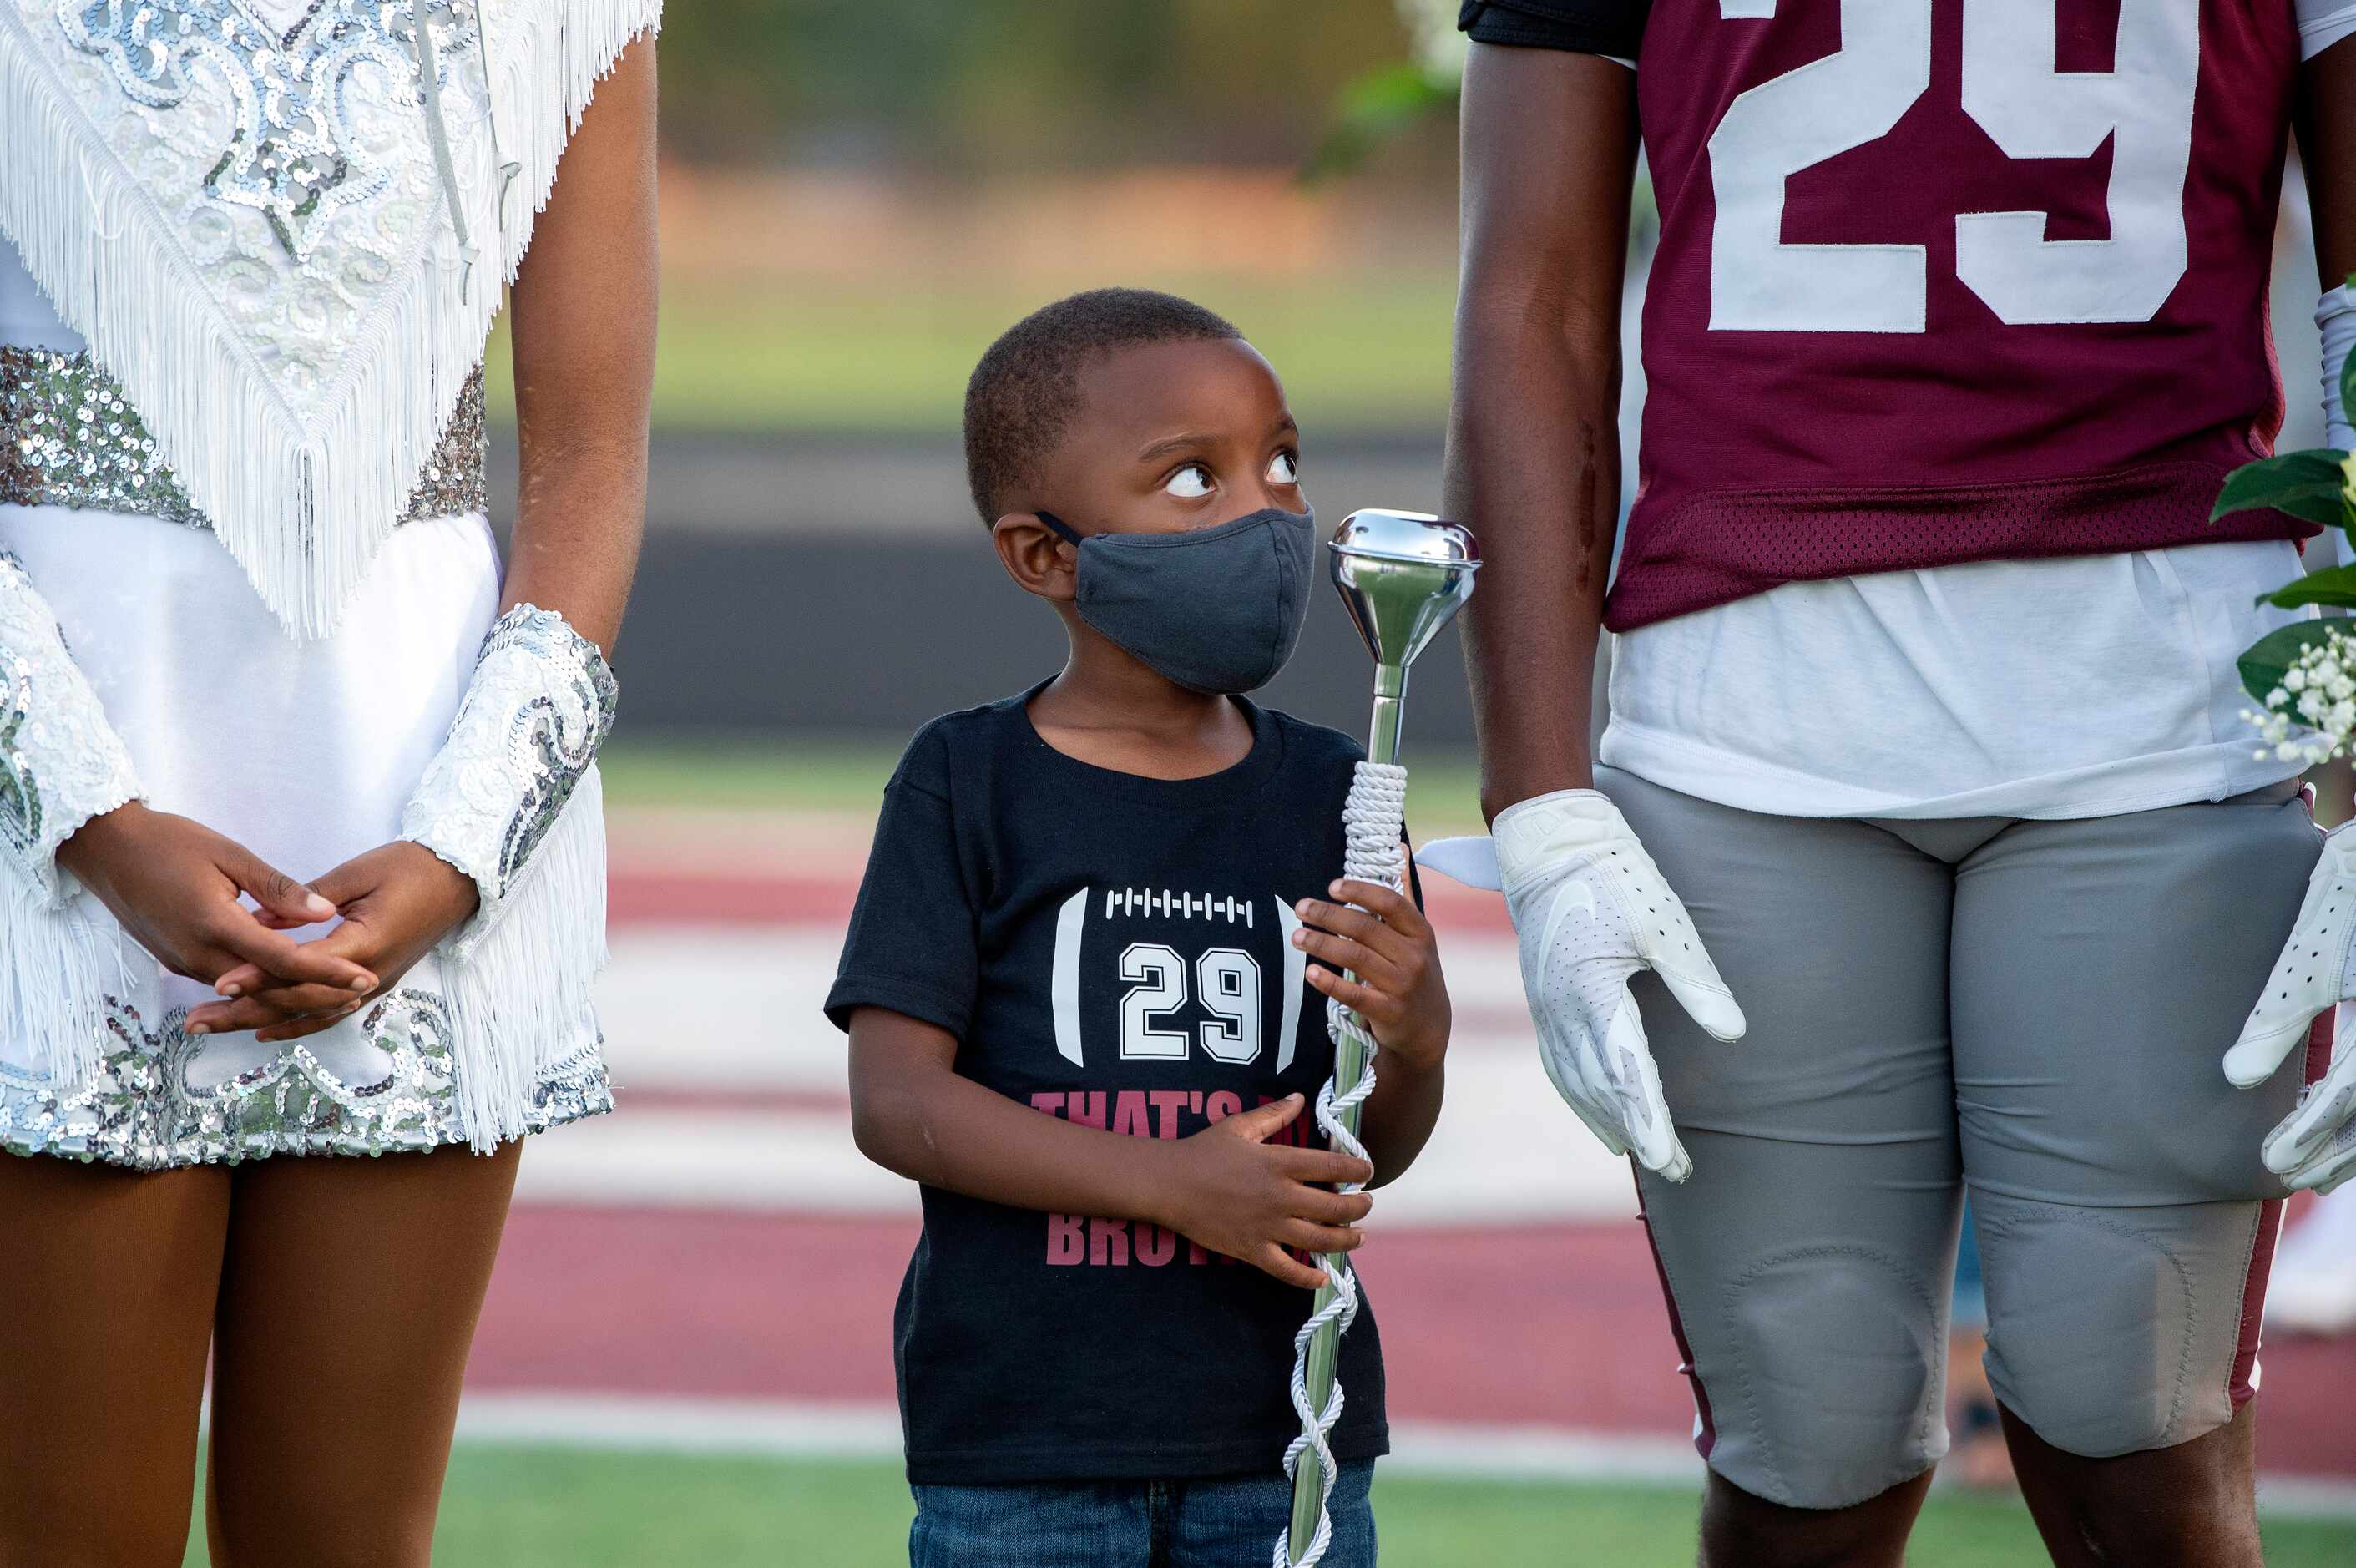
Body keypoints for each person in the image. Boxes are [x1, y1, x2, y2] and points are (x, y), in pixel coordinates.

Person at [1433, 3, 2356, 1564]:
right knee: (1806, 1427)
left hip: (2157, 706)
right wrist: (1537, 807)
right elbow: (1532, 306)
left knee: (2135, 1419)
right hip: (1742, 716)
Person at [0, 7, 659, 1561]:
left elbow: (591, 459)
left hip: (415, 793)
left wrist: (461, 844)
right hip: (47, 794)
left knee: (351, 1536)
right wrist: (94, 818)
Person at [828, 288, 1454, 1568]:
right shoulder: (965, 779)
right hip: (1025, 1446)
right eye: (1191, 479)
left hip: (1282, 1436)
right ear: (1043, 555)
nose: (1268, 514)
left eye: (1281, 462)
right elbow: (896, 1103)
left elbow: (1360, 1156)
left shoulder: (1344, 790)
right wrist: (1171, 1186)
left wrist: (1419, 1040)